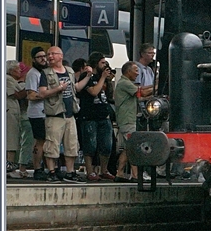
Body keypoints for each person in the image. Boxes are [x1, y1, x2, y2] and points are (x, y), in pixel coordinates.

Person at [38, 46, 85, 182]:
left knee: (72, 145)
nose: (50, 56)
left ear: (61, 56)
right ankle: (52, 171)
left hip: (70, 115)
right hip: (55, 114)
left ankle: (70, 172)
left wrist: (87, 76)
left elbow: (75, 88)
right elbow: (42, 93)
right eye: (48, 54)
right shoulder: (46, 73)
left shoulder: (69, 71)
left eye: (53, 54)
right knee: (52, 145)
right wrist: (59, 88)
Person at [77, 53, 116, 181]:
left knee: (107, 145)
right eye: (102, 63)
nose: (105, 65)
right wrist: (103, 78)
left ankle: (104, 169)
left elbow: (109, 96)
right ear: (95, 63)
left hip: (104, 115)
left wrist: (108, 80)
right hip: (89, 116)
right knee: (90, 145)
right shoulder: (87, 76)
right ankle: (90, 171)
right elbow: (93, 91)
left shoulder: (102, 77)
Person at [23, 48, 50, 180]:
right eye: (39, 57)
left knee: (46, 141)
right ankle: (37, 167)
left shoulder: (45, 72)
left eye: (44, 56)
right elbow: (31, 95)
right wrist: (47, 94)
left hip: (46, 112)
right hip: (37, 113)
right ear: (34, 59)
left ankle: (47, 167)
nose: (43, 59)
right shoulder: (33, 74)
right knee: (40, 140)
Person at [113, 61, 141, 181]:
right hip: (127, 120)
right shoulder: (125, 83)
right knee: (134, 146)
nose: (137, 73)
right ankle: (135, 175)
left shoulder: (126, 83)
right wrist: (156, 87)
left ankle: (119, 173)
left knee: (126, 148)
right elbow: (141, 92)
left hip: (126, 120)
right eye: (135, 70)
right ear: (128, 71)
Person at [6, 60, 32, 178]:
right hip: (9, 112)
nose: (20, 71)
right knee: (10, 140)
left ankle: (10, 166)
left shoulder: (13, 81)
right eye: (17, 69)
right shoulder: (7, 80)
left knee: (13, 139)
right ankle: (9, 167)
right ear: (11, 70)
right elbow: (16, 94)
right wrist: (29, 87)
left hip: (13, 112)